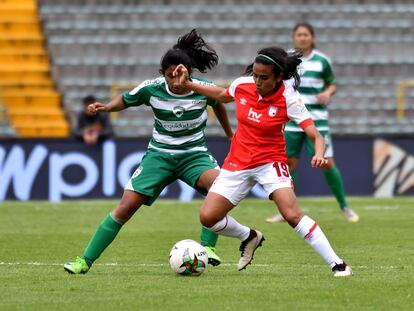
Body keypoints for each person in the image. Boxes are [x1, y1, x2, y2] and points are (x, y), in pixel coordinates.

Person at [173, 46, 353, 277]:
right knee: (208, 218)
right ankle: (249, 236)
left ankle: (338, 264)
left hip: (271, 162)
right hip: (238, 162)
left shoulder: (288, 98)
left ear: (279, 77)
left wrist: (319, 153)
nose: (257, 81)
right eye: (255, 75)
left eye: (264, 77)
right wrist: (188, 84)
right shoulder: (243, 85)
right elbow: (221, 95)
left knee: (291, 214)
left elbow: (315, 134)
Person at [64, 29, 233, 274]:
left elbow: (219, 103)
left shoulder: (203, 90)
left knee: (220, 189)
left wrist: (229, 133)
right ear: (162, 74)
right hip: (160, 155)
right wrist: (106, 107)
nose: (174, 82)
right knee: (125, 208)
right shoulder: (151, 88)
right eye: (168, 76)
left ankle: (208, 248)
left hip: (194, 154)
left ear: (188, 73)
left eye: (178, 76)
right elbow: (126, 98)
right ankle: (84, 261)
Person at [266, 23, 359, 223]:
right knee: (289, 164)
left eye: (305, 35)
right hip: (291, 120)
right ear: (294, 37)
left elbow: (332, 83)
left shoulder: (322, 61)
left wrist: (327, 92)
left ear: (312, 37)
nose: (302, 38)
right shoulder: (287, 59)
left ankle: (345, 207)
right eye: (299, 35)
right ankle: (287, 209)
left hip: (316, 120)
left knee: (327, 163)